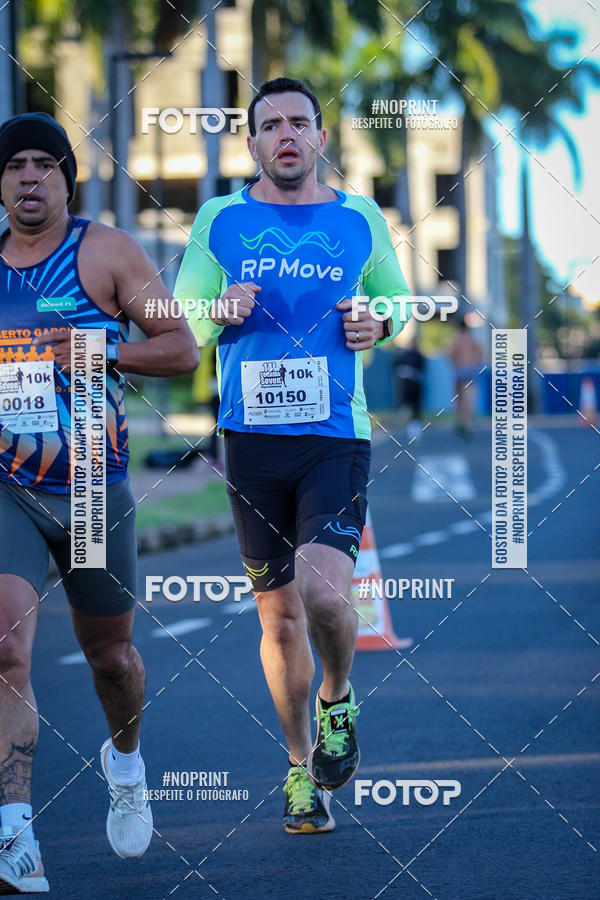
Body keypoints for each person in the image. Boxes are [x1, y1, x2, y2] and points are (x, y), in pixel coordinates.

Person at [175, 78, 411, 833]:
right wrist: (217, 310)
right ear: (251, 143)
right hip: (249, 444)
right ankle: (299, 768)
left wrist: (381, 320)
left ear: (318, 137)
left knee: (326, 594)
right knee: (277, 622)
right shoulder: (221, 219)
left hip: (333, 435)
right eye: (270, 124)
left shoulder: (359, 217)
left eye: (298, 123)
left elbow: (398, 301)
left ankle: (337, 698)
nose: (285, 135)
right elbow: (182, 317)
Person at [0, 112, 199, 893]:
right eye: (13, 165)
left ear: (64, 178)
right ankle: (15, 834)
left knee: (110, 658)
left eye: (43, 164)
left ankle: (125, 764)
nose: (28, 178)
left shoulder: (105, 249)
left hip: (88, 489)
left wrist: (97, 346)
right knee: (6, 648)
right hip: (7, 487)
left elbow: (181, 349)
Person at [448, 318, 484, 436]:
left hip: (460, 371)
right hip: (471, 370)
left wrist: (456, 364)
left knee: (459, 398)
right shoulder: (472, 339)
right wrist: (474, 361)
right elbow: (482, 353)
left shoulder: (457, 339)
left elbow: (449, 354)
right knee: (469, 399)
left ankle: (460, 422)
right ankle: (468, 424)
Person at [394, 338, 424, 441]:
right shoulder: (404, 356)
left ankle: (414, 428)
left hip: (414, 385)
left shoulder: (418, 356)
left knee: (415, 407)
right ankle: (409, 424)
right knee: (407, 406)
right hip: (407, 385)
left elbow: (422, 369)